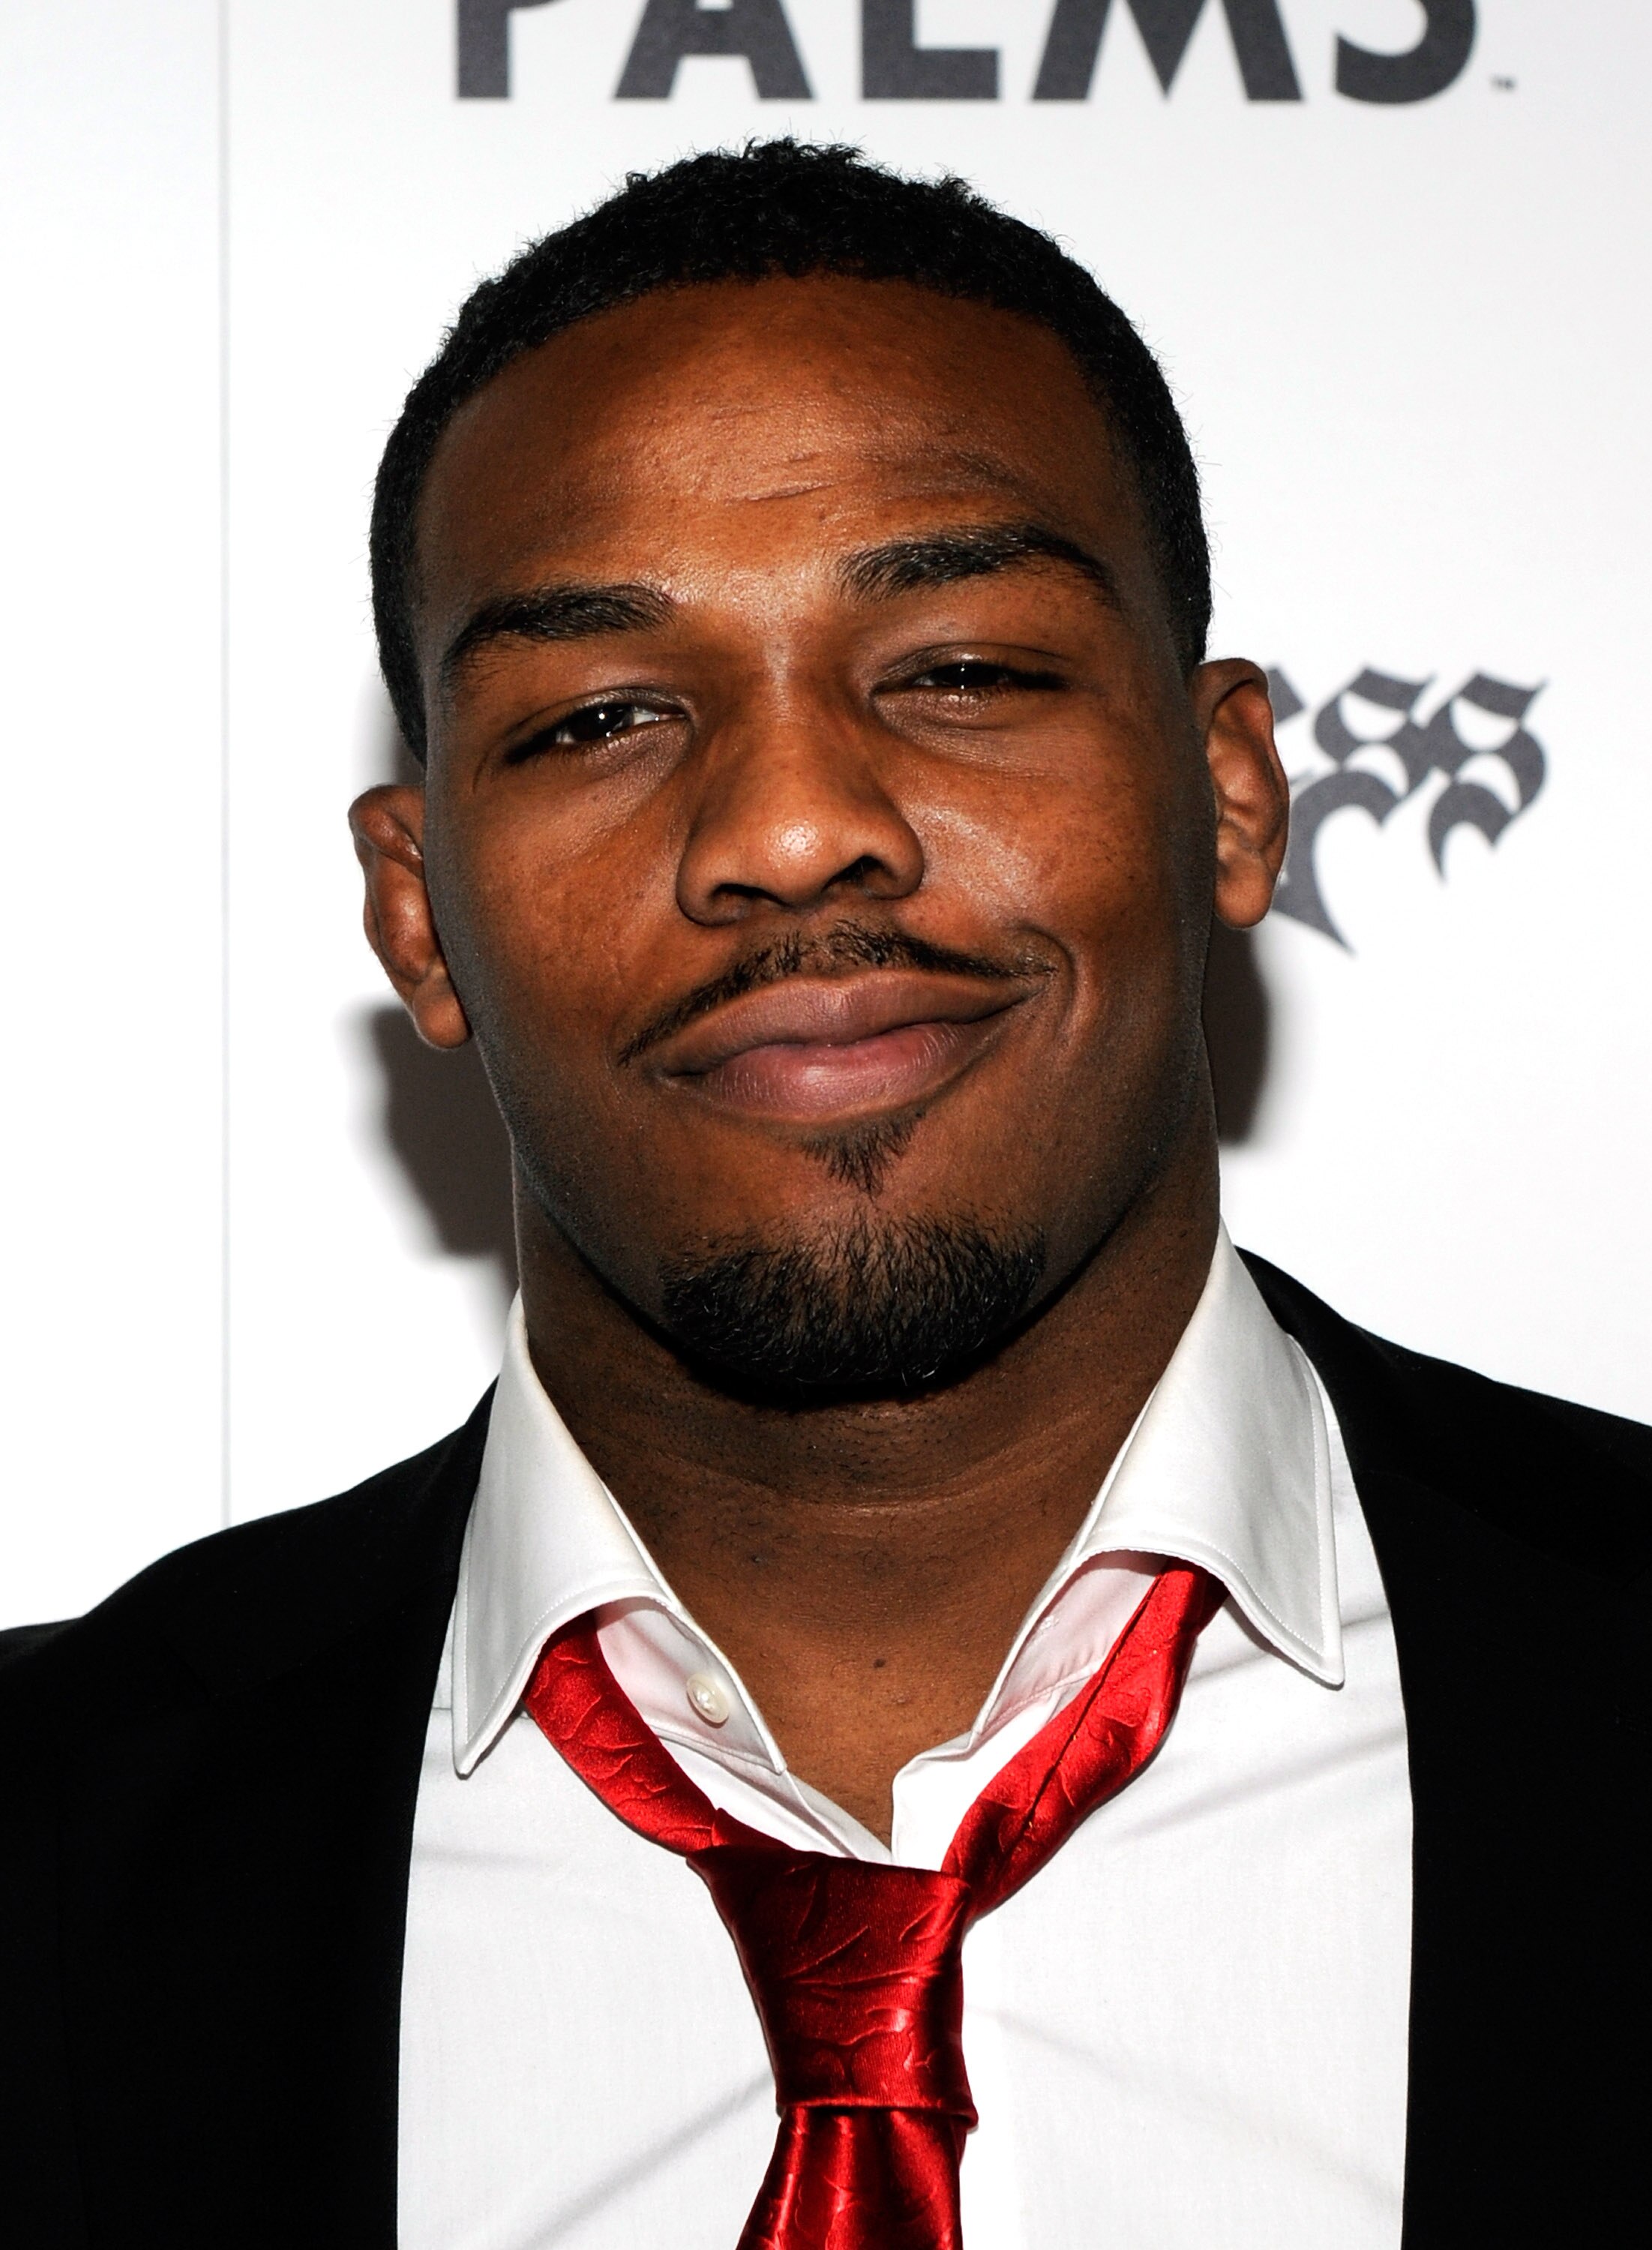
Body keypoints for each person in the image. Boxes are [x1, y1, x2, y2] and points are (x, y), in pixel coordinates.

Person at [1, 141, 1643, 2250]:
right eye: (601, 714)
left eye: (958, 671)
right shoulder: (50, 1854)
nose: (787, 828)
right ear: (415, 919)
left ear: (1228, 793)